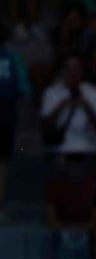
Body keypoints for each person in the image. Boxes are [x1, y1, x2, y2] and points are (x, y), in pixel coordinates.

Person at [0, 24, 31, 219]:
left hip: (5, 111)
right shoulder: (13, 58)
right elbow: (25, 89)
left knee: (2, 162)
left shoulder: (13, 59)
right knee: (2, 163)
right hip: (5, 112)